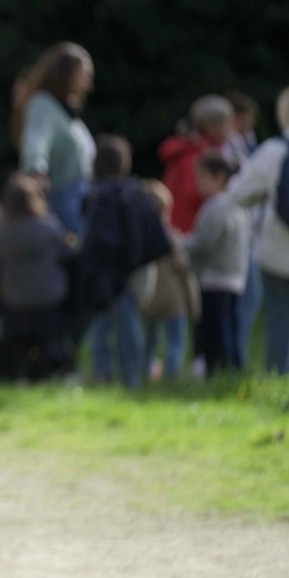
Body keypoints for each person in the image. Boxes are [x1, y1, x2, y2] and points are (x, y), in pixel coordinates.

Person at [226, 82, 289, 374]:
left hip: (277, 249)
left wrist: (263, 195)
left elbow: (236, 194)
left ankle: (279, 380)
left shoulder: (273, 151)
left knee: (279, 317)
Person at [80, 135, 171, 388]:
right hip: (131, 270)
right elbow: (155, 238)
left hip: (105, 271)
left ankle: (104, 373)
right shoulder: (136, 193)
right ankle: (131, 378)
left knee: (102, 323)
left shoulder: (99, 195)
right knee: (127, 325)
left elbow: (95, 239)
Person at [0, 172, 74, 379]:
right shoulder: (48, 226)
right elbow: (67, 252)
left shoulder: (3, 231)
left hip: (14, 299)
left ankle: (15, 365)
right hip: (47, 298)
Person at [17, 42, 96, 237]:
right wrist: (35, 170)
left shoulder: (68, 116)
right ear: (66, 74)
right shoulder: (42, 105)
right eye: (83, 76)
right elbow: (36, 139)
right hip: (63, 202)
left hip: (81, 202)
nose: (88, 85)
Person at [184, 151, 251, 374]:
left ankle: (217, 373)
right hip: (235, 277)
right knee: (231, 329)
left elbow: (202, 244)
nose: (198, 183)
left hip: (214, 278)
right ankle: (232, 371)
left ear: (220, 177)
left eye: (203, 177)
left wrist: (177, 242)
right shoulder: (238, 204)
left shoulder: (215, 207)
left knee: (214, 333)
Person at [136, 180, 199, 381]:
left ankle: (143, 372)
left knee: (149, 340)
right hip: (173, 302)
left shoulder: (139, 240)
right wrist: (194, 305)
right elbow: (185, 273)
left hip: (148, 301)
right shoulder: (171, 239)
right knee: (175, 341)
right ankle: (172, 375)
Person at [224, 89, 263, 367]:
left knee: (248, 297)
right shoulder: (229, 148)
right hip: (238, 228)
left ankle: (236, 356)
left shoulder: (248, 144)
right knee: (247, 296)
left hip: (250, 229)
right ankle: (234, 357)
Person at [158, 95, 234, 234]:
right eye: (227, 123)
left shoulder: (198, 149)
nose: (231, 129)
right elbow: (193, 193)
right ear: (212, 127)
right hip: (187, 230)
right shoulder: (197, 155)